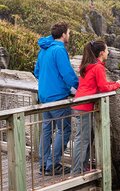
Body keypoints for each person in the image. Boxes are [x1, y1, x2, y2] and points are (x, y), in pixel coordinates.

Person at [71, 40, 120, 174]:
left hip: (80, 104)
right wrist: (117, 85)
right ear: (101, 53)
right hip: (85, 106)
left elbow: (100, 84)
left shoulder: (88, 65)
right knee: (82, 140)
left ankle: (82, 167)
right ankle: (77, 171)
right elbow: (103, 87)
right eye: (107, 50)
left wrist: (114, 83)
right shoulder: (98, 67)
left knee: (85, 139)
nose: (108, 52)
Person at [34, 22, 79, 176]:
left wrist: (49, 83)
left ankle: (43, 164)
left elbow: (37, 72)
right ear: (63, 34)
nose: (69, 35)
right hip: (58, 98)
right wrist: (78, 87)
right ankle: (53, 165)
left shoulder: (44, 49)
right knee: (64, 129)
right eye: (69, 33)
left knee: (46, 130)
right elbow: (67, 74)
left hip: (44, 97)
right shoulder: (59, 50)